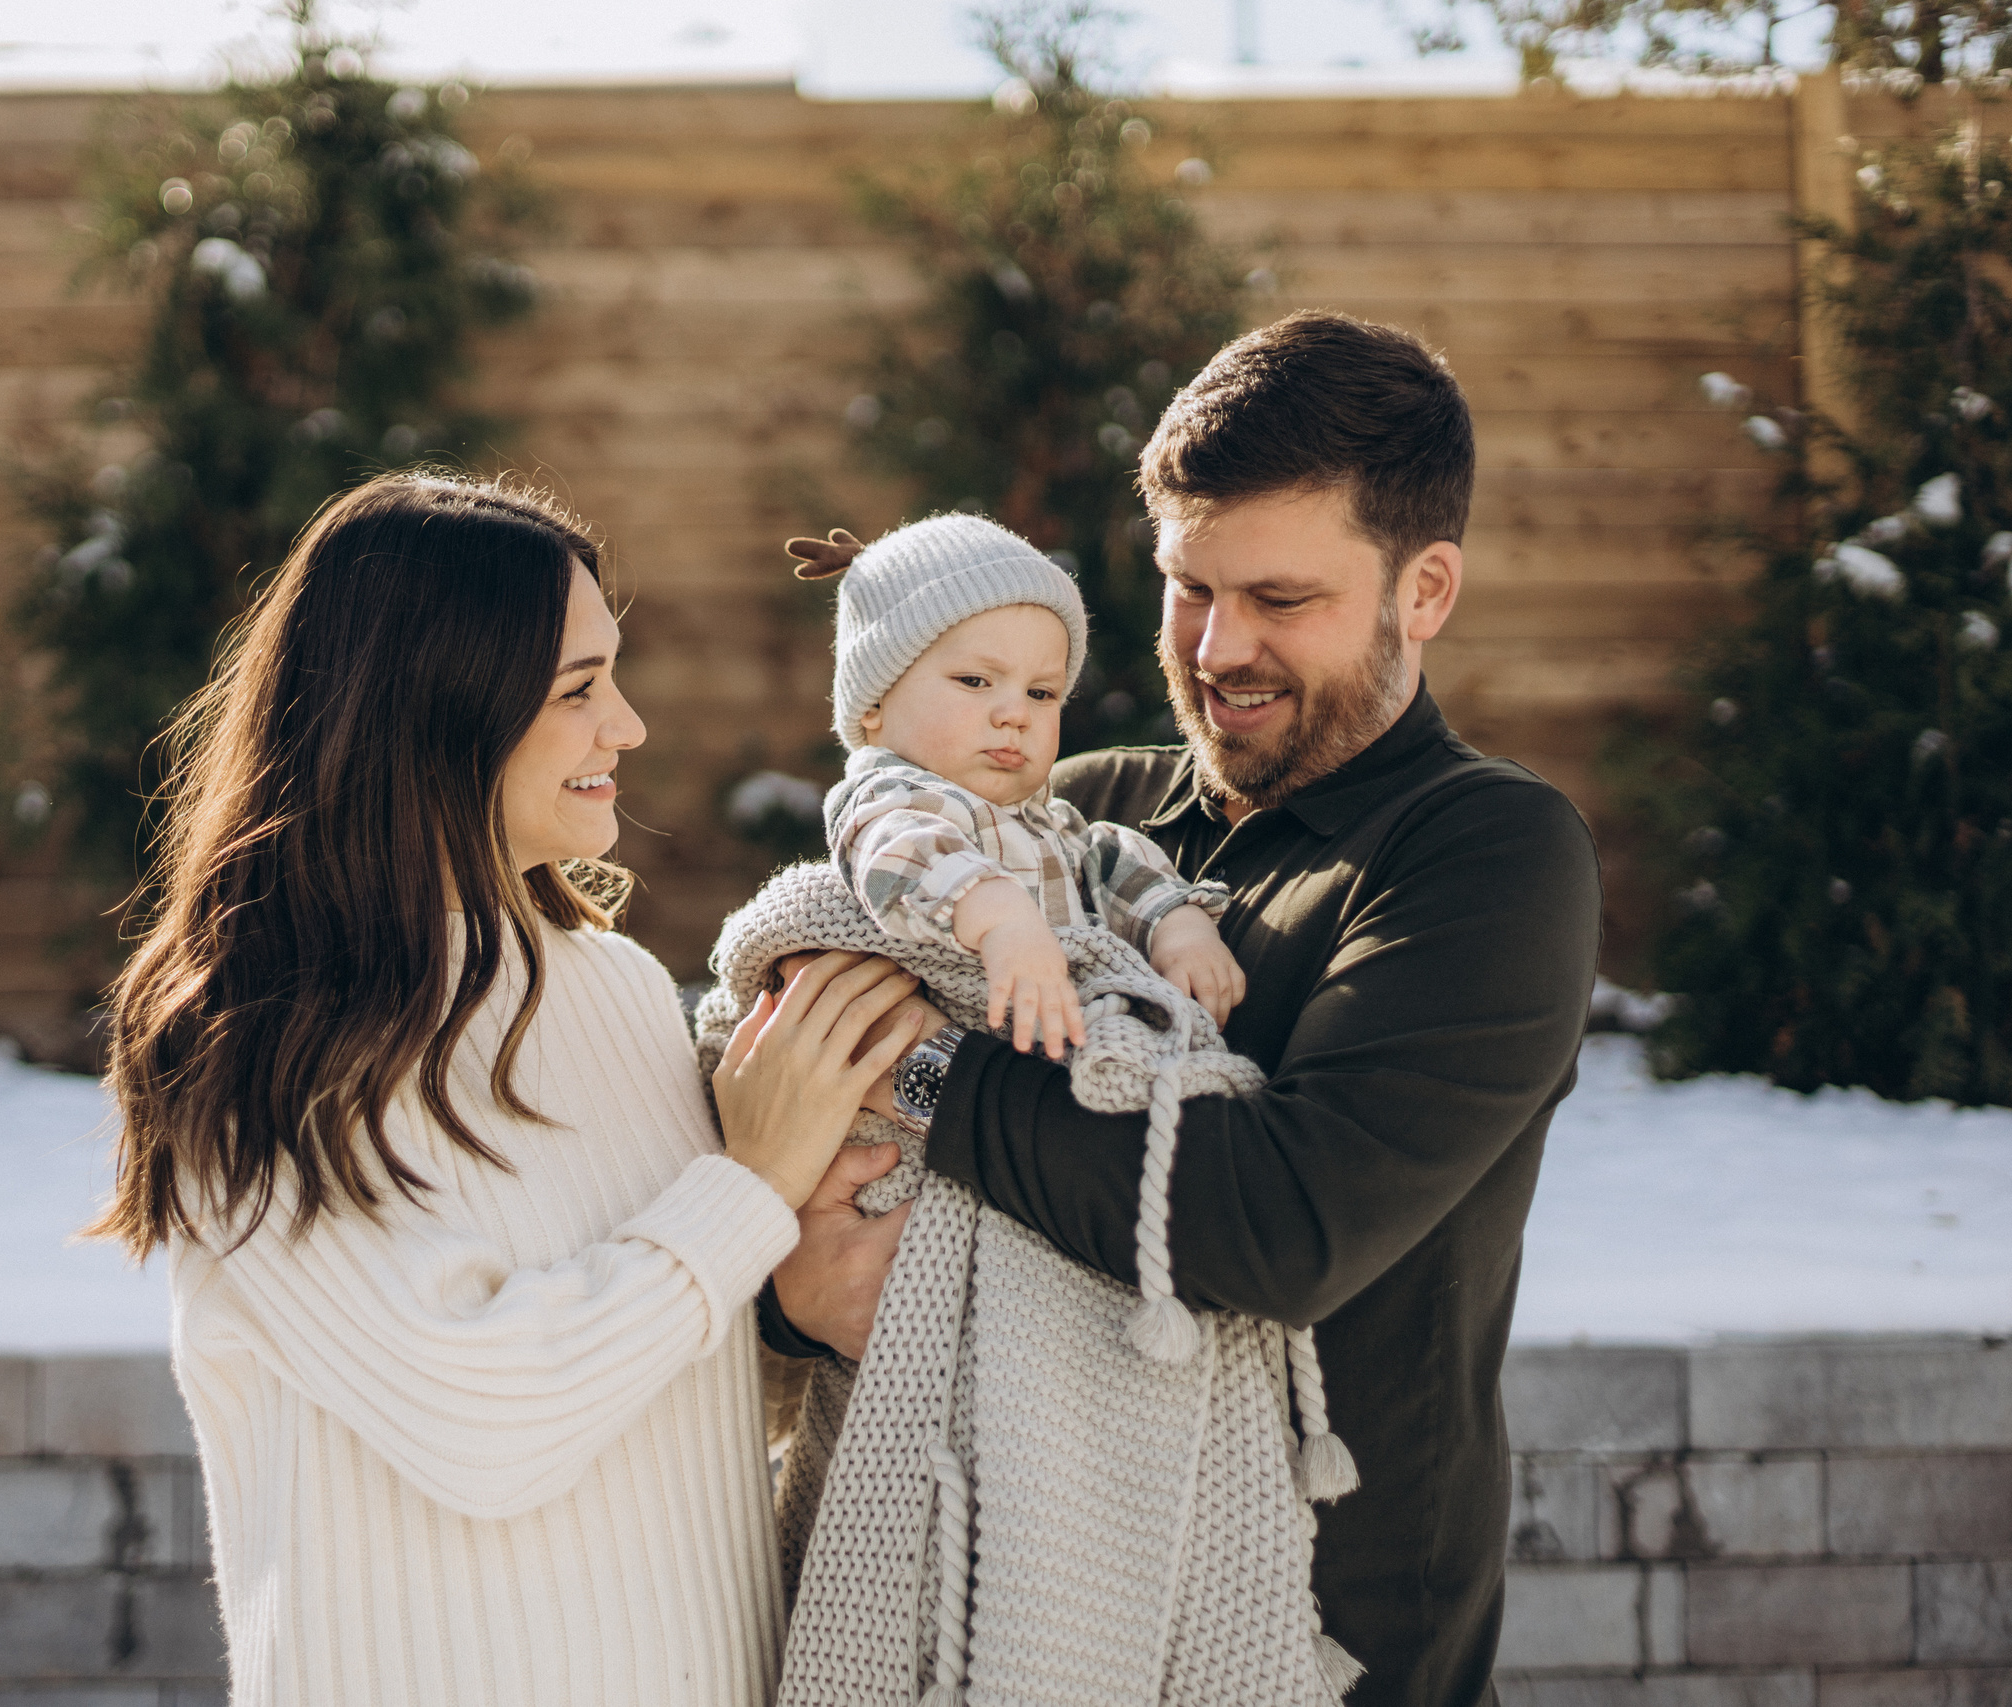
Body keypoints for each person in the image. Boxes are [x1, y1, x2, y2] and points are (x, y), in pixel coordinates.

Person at [767, 311, 1604, 1707]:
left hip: (1325, 1650)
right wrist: (804, 1300)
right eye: (1185, 586)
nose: (1216, 648)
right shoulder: (1071, 812)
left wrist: (920, 1065)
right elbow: (796, 1107)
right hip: (1013, 1614)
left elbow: (1273, 1227)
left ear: (1427, 589)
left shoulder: (1483, 854)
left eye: (1282, 598)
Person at [88, 473, 923, 1707]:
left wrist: (800, 1294)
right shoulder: (255, 1047)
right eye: (577, 689)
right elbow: (487, 1423)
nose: (627, 727)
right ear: (434, 710)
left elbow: (664, 1390)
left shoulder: (616, 991)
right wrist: (748, 1185)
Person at [797, 515, 1246, 1052]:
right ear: (873, 704)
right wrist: (1002, 921)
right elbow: (902, 858)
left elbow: (1116, 867)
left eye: (1041, 693)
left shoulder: (1054, 826)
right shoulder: (892, 799)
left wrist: (1181, 930)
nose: (1015, 714)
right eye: (975, 681)